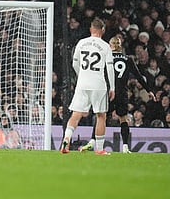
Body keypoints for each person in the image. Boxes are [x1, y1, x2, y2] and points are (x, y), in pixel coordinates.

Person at [80, 36, 156, 153]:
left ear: (110, 46)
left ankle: (92, 141)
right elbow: (138, 76)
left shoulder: (106, 58)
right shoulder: (127, 59)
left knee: (101, 117)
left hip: (108, 92)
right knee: (123, 119)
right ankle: (125, 146)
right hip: (121, 93)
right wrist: (148, 90)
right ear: (120, 46)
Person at [61, 18, 115, 155]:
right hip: (98, 84)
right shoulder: (105, 46)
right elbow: (109, 68)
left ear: (91, 29)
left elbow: (74, 63)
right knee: (101, 115)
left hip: (83, 83)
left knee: (76, 114)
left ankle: (66, 140)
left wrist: (82, 75)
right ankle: (100, 149)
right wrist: (112, 87)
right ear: (103, 30)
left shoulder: (81, 43)